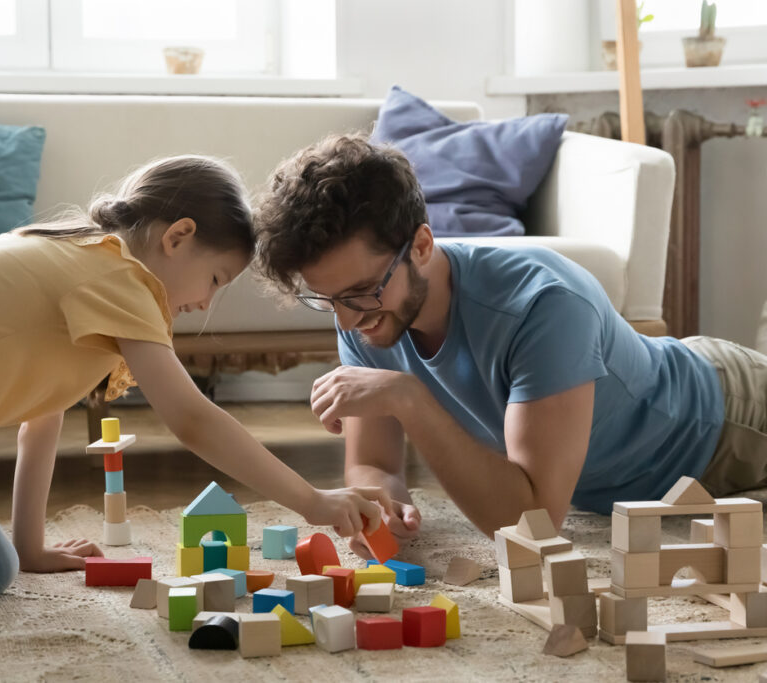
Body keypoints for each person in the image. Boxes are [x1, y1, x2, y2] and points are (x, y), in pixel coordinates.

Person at [0, 154, 388, 600]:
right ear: (178, 236)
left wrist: (31, 546)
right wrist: (315, 501)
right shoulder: (122, 280)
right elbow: (192, 419)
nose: (203, 304)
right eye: (215, 280)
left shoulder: (82, 256)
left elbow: (40, 417)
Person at [254, 134, 767, 558]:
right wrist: (383, 502)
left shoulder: (544, 306)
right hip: (632, 466)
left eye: (360, 293)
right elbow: (375, 465)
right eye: (328, 299)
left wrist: (409, 400)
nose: (346, 319)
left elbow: (532, 525)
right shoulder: (368, 307)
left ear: (422, 246)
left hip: (728, 429)